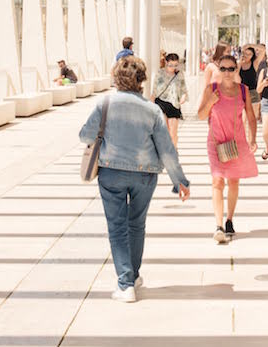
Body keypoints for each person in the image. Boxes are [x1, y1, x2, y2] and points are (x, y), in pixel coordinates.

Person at [79, 56, 190, 302]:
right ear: (142, 79)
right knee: (136, 224)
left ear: (116, 77)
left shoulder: (105, 104)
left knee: (117, 227)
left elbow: (84, 134)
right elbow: (166, 148)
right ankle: (134, 275)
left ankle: (125, 283)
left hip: (111, 172)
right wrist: (179, 180)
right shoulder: (152, 110)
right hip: (145, 173)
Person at [198, 54, 258, 242]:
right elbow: (201, 115)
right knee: (217, 181)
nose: (226, 72)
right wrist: (210, 102)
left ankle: (229, 219)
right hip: (215, 141)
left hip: (237, 140)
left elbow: (250, 116)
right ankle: (218, 225)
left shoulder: (243, 90)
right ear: (218, 70)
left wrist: (253, 138)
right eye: (222, 68)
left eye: (231, 69)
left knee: (233, 182)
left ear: (236, 70)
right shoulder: (211, 89)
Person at [150, 53, 188, 148]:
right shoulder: (160, 73)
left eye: (175, 65)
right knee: (164, 131)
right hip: (161, 102)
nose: (173, 68)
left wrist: (183, 97)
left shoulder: (179, 74)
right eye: (170, 65)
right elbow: (154, 90)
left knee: (173, 132)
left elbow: (184, 88)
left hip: (174, 104)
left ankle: (173, 151)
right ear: (166, 62)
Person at [239, 45, 261, 124]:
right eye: (246, 53)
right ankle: (243, 136)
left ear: (253, 56)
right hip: (241, 93)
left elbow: (263, 50)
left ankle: (251, 136)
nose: (247, 56)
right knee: (243, 119)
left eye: (250, 54)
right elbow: (235, 76)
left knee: (252, 120)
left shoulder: (254, 64)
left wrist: (250, 45)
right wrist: (239, 63)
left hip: (253, 93)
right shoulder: (239, 64)